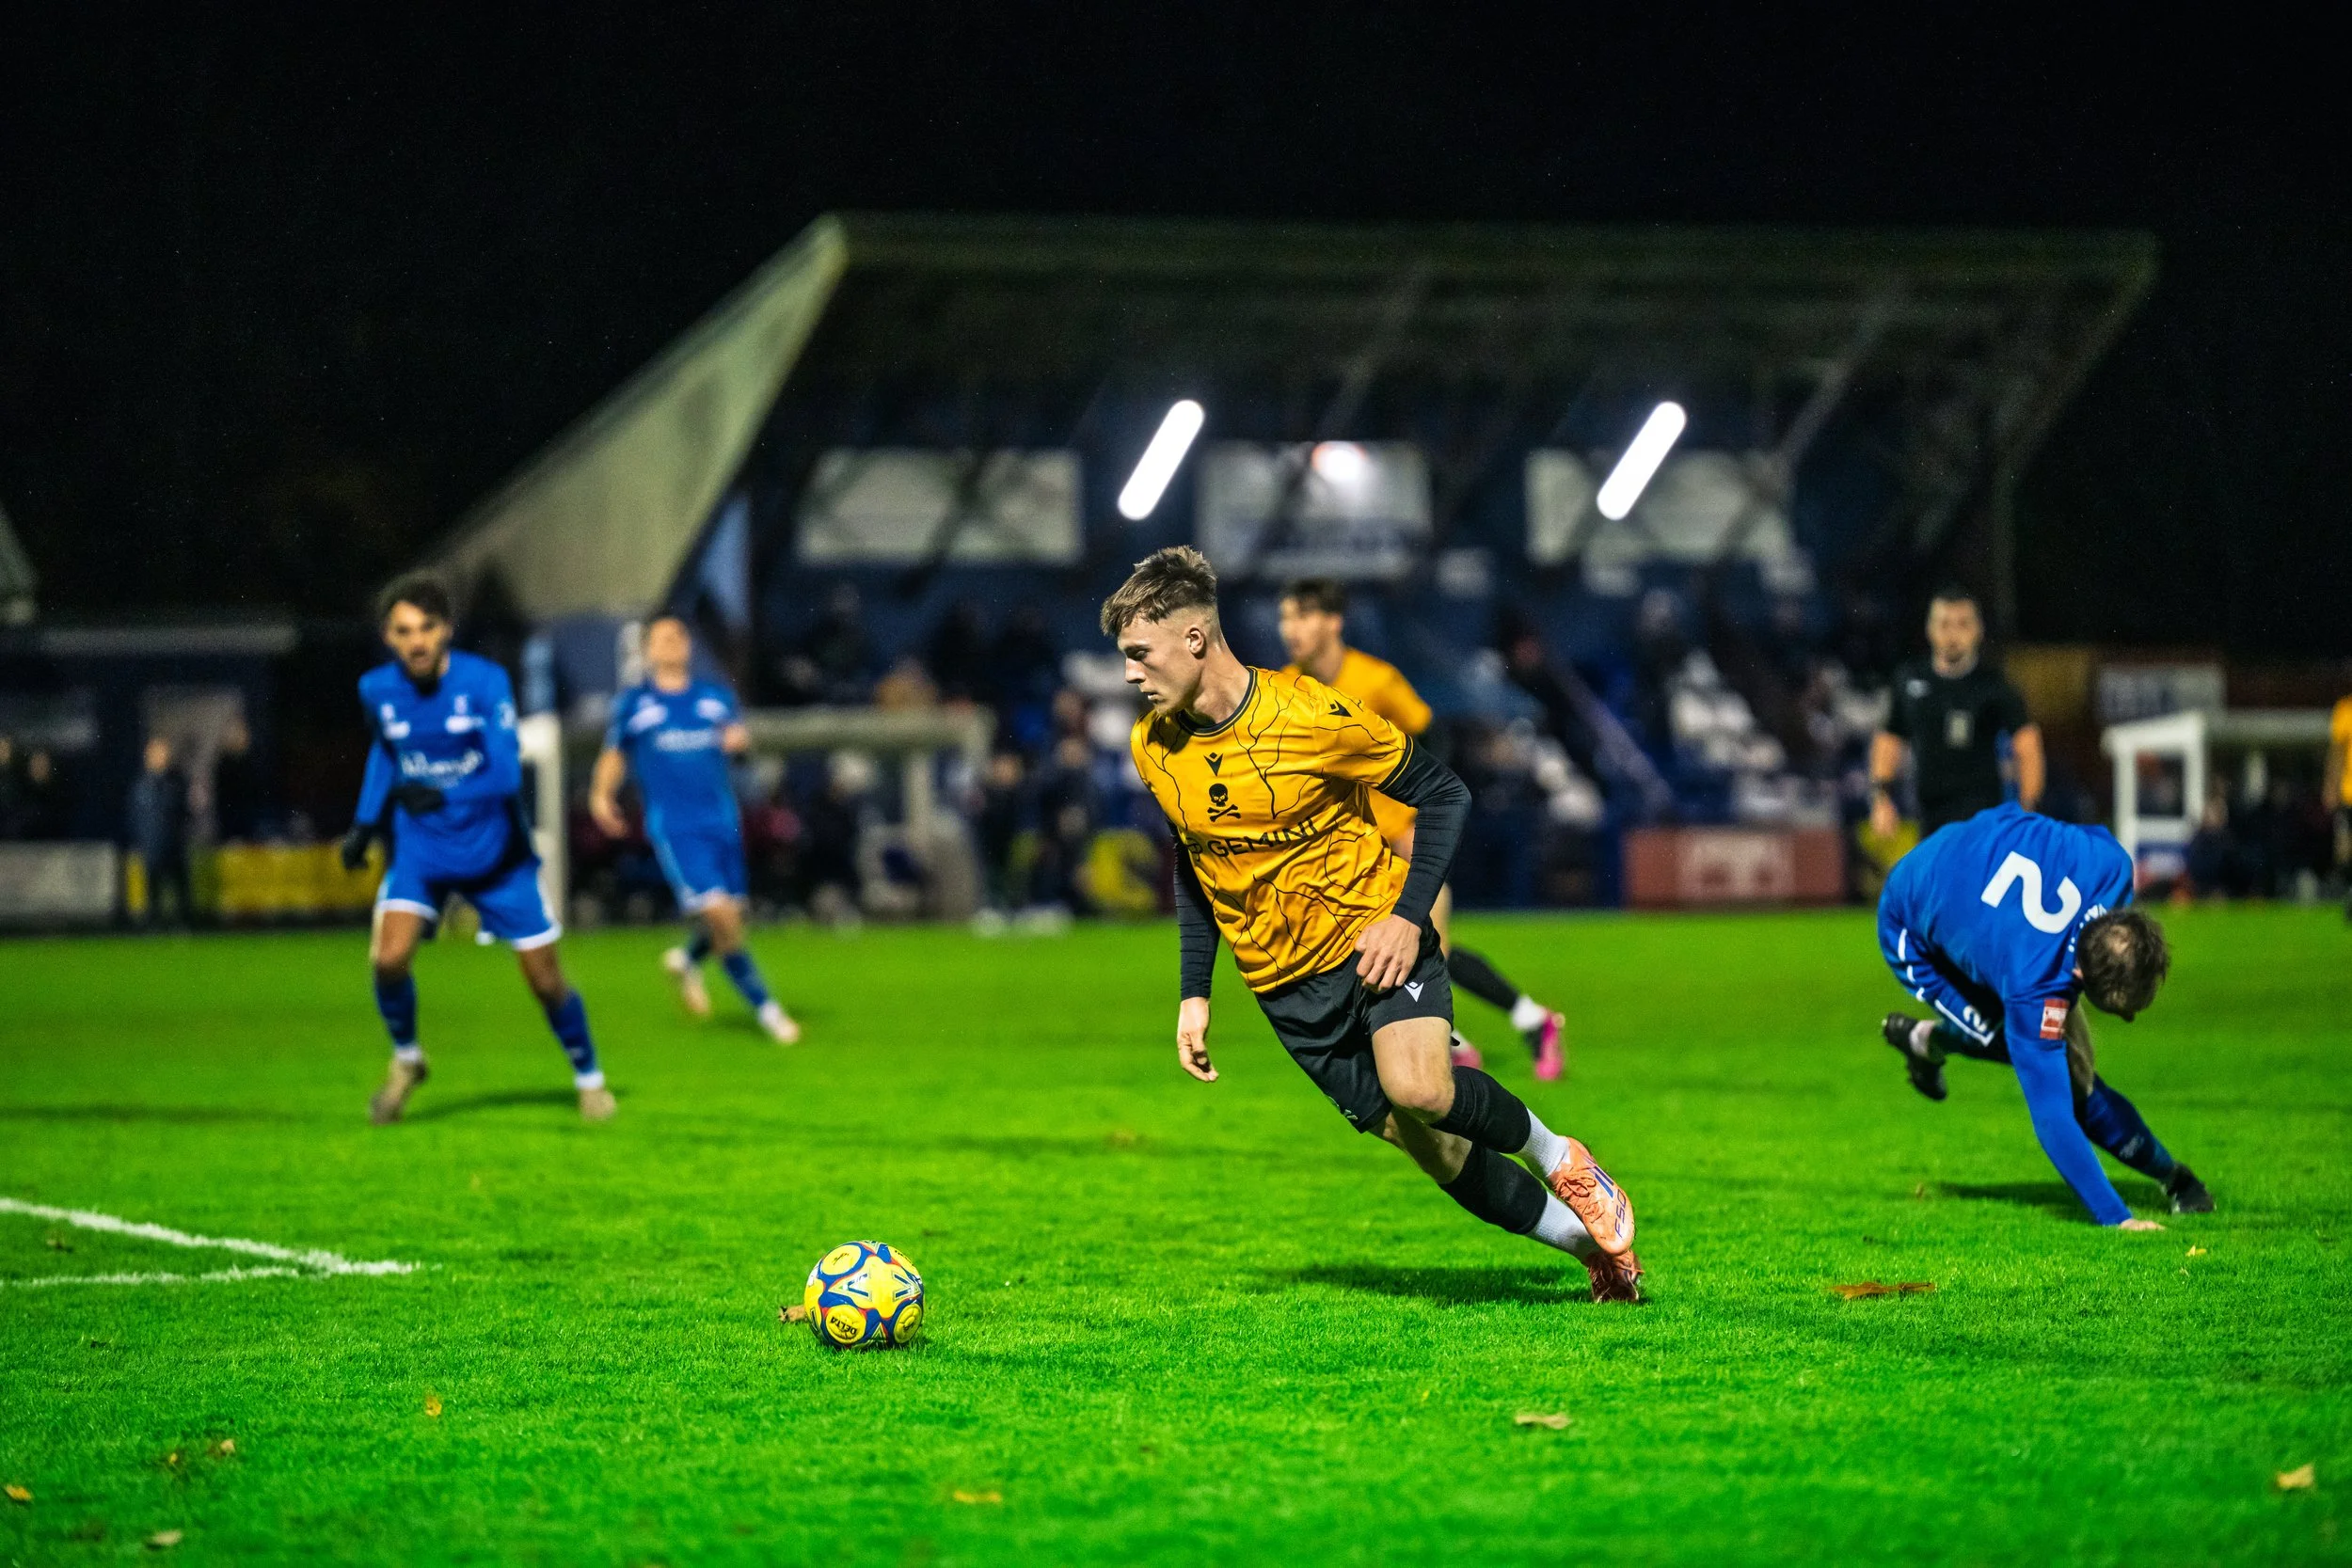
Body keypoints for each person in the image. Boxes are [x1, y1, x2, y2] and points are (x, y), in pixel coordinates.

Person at [1105, 546, 1643, 1304]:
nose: (1129, 673)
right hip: (1287, 992)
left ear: (1194, 639)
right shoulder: (1152, 746)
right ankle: (1591, 1247)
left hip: (1374, 940)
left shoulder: (1310, 714)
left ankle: (1564, 1158)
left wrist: (1404, 916)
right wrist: (1196, 991)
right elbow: (1197, 865)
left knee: (1420, 1086)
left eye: (1138, 653)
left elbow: (1445, 791)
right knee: (1436, 1148)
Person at [342, 574, 613, 1123]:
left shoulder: (484, 682)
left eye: (426, 628)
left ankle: (589, 1077)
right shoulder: (376, 689)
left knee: (544, 979)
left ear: (446, 630)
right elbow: (386, 752)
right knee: (389, 958)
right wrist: (365, 824)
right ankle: (408, 1059)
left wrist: (440, 792)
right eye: (403, 631)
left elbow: (507, 774)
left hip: (496, 857)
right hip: (422, 854)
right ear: (388, 637)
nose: (416, 641)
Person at [1278, 578, 1570, 1080]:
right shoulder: (1284, 688)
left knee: (1423, 943)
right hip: (1346, 850)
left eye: (1301, 616)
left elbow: (1432, 737)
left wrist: (1420, 813)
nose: (1290, 629)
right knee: (1367, 950)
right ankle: (1490, 1031)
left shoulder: (1376, 681)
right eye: (1285, 618)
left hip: (1400, 840)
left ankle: (1512, 1027)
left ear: (1333, 621)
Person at [1876, 801, 2212, 1226]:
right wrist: (2117, 1219)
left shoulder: (2110, 867)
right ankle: (1926, 1041)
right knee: (2049, 1073)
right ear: (2077, 974)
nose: (2127, 1020)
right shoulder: (2035, 988)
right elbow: (2054, 1120)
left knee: (2043, 1055)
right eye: (2121, 1012)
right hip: (1909, 920)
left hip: (1977, 842)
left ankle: (2172, 1176)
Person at [589, 615, 799, 1043]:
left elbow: (739, 751)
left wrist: (741, 746)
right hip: (677, 827)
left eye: (679, 636)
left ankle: (687, 961)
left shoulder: (715, 699)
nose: (672, 644)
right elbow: (615, 754)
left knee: (729, 915)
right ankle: (769, 1012)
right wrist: (600, 794)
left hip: (722, 822)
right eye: (663, 638)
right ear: (647, 651)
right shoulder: (635, 705)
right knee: (721, 916)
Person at [1870, 587, 2043, 839]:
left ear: (1978, 630)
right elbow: (1890, 739)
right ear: (1930, 628)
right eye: (1944, 624)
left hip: (1983, 818)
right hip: (1929, 817)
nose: (1953, 634)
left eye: (1963, 624)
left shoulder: (1994, 684)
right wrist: (1881, 799)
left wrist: (2030, 809)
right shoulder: (1910, 679)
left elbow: (2028, 744)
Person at [125, 736, 193, 927]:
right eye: (157, 752)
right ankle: (153, 928)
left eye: (164, 752)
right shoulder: (140, 786)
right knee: (152, 897)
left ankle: (184, 928)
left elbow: (185, 815)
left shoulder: (177, 783)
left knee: (181, 896)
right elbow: (134, 819)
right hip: (151, 849)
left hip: (174, 848)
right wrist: (138, 845)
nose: (161, 756)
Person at [2327, 689, 2352, 918]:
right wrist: (2331, 787)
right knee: (2345, 850)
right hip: (2349, 793)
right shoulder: (2345, 710)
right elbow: (2337, 753)